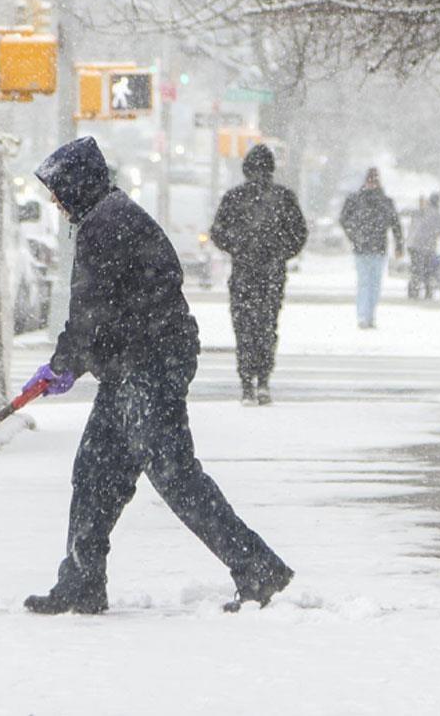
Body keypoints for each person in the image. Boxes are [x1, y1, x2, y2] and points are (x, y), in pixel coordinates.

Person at [21, 137, 293, 615]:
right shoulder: (108, 216)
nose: (54, 201)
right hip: (133, 364)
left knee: (174, 475)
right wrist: (75, 360)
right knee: (95, 473)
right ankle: (81, 580)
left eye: (58, 190)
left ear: (77, 184)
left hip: (149, 366)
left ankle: (257, 567)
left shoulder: (104, 225)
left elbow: (91, 313)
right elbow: (105, 311)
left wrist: (63, 364)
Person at [209, 144, 307, 406]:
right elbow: (299, 234)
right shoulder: (284, 197)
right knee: (267, 325)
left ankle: (246, 383)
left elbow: (217, 232)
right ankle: (263, 378)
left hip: (243, 272)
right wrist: (279, 252)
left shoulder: (234, 198)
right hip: (271, 273)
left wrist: (239, 247)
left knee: (244, 327)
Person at [339, 169, 403, 328]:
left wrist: (353, 234)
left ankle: (368, 315)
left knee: (371, 284)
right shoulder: (382, 201)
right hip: (368, 248)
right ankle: (364, 316)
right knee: (367, 283)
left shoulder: (359, 200)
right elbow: (395, 224)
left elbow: (395, 224)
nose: (372, 184)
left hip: (371, 248)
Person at [405, 194, 440, 300]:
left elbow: (413, 226)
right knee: (427, 269)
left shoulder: (420, 212)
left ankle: (414, 290)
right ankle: (428, 291)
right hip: (427, 247)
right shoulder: (439, 217)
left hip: (413, 245)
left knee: (416, 269)